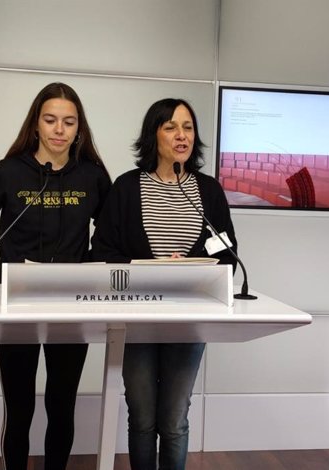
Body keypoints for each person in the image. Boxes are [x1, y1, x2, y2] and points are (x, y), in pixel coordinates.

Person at [0, 82, 111, 470]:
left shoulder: (92, 176)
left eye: (68, 121)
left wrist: (89, 272)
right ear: (35, 124)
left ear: (79, 128)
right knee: (20, 407)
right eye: (50, 120)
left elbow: (111, 234)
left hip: (72, 306)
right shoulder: (8, 172)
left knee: (62, 404)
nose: (59, 129)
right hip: (17, 308)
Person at [91, 98, 238, 470]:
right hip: (135, 318)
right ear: (153, 134)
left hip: (188, 320)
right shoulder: (126, 188)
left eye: (188, 127)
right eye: (171, 126)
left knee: (174, 419)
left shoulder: (208, 191)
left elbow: (227, 254)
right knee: (141, 417)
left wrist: (191, 268)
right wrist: (148, 268)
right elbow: (102, 251)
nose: (181, 135)